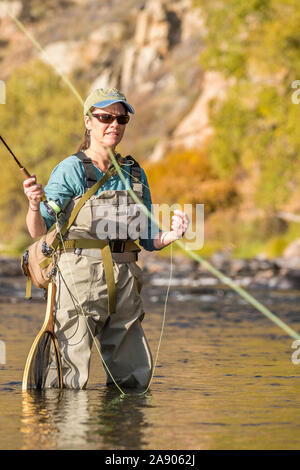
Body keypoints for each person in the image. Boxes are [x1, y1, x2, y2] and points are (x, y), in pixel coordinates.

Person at [23, 88, 189, 390]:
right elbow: (38, 228)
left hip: (125, 285)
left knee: (135, 382)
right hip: (78, 284)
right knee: (68, 382)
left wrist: (172, 235)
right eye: (105, 117)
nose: (114, 124)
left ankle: (121, 435)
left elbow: (149, 236)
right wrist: (34, 205)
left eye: (121, 118)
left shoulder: (134, 172)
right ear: (88, 122)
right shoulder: (70, 169)